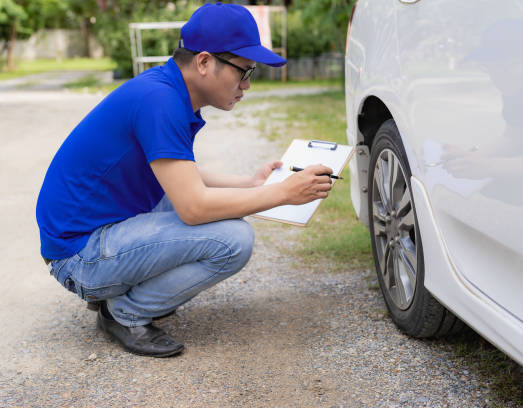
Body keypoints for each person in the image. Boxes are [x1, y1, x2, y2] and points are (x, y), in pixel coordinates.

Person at [35, 3, 333, 358]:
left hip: (91, 234)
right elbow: (193, 207)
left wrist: (249, 184)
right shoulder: (161, 101)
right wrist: (282, 193)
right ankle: (124, 313)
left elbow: (176, 174)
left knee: (215, 213)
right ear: (204, 62)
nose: (247, 85)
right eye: (244, 71)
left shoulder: (165, 90)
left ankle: (116, 294)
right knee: (234, 238)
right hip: (79, 256)